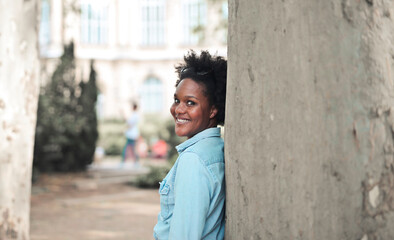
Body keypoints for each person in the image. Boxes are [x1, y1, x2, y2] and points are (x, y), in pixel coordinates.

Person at [153, 50, 227, 240]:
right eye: (177, 100)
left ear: (213, 110)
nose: (178, 109)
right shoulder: (214, 148)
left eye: (190, 103)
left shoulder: (194, 160)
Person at [121, 102, 140, 167]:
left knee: (128, 148)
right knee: (132, 148)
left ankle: (124, 161)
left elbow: (130, 124)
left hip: (131, 135)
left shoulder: (134, 115)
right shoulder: (135, 115)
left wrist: (124, 130)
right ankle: (135, 162)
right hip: (133, 134)